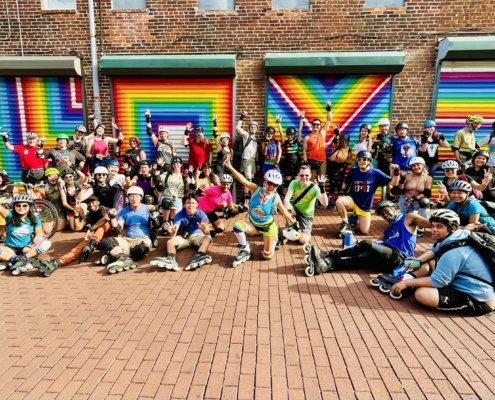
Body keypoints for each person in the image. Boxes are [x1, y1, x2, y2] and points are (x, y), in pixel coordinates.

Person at [390, 209, 495, 316]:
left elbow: (437, 282)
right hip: (459, 283)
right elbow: (434, 249)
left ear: (452, 228)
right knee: (430, 261)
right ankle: (408, 277)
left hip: (479, 300)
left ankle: (407, 282)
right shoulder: (458, 236)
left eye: (439, 226)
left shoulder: (455, 253)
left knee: (422, 294)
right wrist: (418, 261)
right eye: (432, 226)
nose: (434, 230)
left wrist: (406, 284)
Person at [305, 199, 431, 276]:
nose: (385, 214)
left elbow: (431, 224)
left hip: (400, 258)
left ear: (393, 208)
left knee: (366, 244)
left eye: (387, 211)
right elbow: (377, 243)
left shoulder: (408, 218)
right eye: (382, 214)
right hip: (387, 260)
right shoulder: (388, 229)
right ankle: (326, 264)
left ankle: (329, 254)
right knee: (361, 258)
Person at [224, 158, 295, 265]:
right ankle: (245, 250)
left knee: (266, 256)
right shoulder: (256, 189)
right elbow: (243, 180)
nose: (272, 186)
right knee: (237, 227)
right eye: (270, 183)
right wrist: (230, 167)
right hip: (254, 224)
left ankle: (275, 240)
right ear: (265, 181)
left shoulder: (276, 198)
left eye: (275, 185)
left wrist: (295, 224)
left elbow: (285, 213)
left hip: (268, 228)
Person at [27, 195, 114, 277]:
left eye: (93, 202)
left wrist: (91, 228)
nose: (91, 205)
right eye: (89, 203)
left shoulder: (103, 210)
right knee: (76, 250)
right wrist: (76, 214)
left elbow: (106, 218)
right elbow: (78, 227)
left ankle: (92, 243)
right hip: (95, 241)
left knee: (103, 225)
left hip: (108, 239)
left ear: (98, 202)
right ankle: (56, 263)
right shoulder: (89, 215)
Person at [335, 150, 392, 238]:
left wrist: (396, 173)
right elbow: (346, 182)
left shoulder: (376, 173)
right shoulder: (354, 170)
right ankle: (345, 223)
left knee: (364, 231)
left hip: (364, 206)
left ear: (369, 161)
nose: (361, 161)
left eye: (364, 159)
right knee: (339, 201)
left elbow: (392, 182)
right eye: (359, 159)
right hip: (352, 200)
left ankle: (355, 217)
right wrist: (341, 192)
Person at [151, 192, 213, 272]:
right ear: (184, 204)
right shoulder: (179, 215)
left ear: (197, 204)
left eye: (193, 203)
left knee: (207, 239)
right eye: (188, 203)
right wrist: (172, 232)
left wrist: (204, 229)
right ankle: (171, 258)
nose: (191, 205)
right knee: (170, 242)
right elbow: (174, 231)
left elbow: (207, 233)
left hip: (197, 235)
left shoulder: (202, 214)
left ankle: (200, 255)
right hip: (184, 237)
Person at [98, 186, 153, 274]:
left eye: (137, 196)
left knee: (141, 250)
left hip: (143, 239)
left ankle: (115, 256)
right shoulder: (123, 211)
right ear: (128, 198)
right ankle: (123, 258)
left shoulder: (147, 209)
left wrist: (154, 213)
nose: (134, 199)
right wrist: (112, 217)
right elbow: (118, 230)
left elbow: (156, 224)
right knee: (106, 241)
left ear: (141, 198)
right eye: (131, 196)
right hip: (127, 239)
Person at [0, 194, 51, 275]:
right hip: (10, 248)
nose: (21, 208)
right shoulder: (10, 215)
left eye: (25, 205)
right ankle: (17, 260)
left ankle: (17, 260)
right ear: (14, 206)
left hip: (27, 249)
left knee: (47, 243)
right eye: (18, 205)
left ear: (29, 206)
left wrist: (30, 245)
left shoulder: (35, 219)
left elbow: (40, 234)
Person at [283, 165, 328, 244]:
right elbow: (286, 199)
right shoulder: (294, 183)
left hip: (307, 216)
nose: (304, 177)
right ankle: (290, 227)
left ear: (310, 176)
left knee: (303, 240)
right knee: (287, 209)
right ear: (298, 175)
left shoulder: (314, 188)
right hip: (295, 211)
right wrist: (291, 210)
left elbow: (325, 203)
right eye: (302, 175)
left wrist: (322, 189)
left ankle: (298, 230)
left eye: (306, 175)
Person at [390, 156, 432, 236]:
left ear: (423, 165)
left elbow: (427, 193)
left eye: (418, 165)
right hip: (405, 199)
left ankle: (421, 226)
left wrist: (413, 199)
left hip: (418, 200)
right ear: (411, 168)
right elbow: (400, 190)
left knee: (425, 202)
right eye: (413, 165)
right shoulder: (408, 176)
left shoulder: (428, 178)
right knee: (404, 220)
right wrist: (402, 180)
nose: (416, 167)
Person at [155, 156, 194, 235]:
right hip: (167, 196)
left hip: (177, 198)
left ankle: (171, 227)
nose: (175, 165)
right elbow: (158, 178)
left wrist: (191, 174)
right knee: (166, 202)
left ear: (181, 164)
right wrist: (156, 173)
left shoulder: (184, 175)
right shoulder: (168, 174)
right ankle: (164, 225)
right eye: (174, 164)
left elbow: (192, 184)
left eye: (177, 164)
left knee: (174, 218)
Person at [302, 102, 333, 180]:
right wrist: (305, 162)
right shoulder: (307, 137)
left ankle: (321, 192)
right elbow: (304, 150)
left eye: (317, 124)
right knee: (310, 182)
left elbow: (329, 120)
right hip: (311, 162)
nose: (315, 126)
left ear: (320, 126)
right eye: (314, 124)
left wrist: (329, 109)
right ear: (312, 125)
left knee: (321, 182)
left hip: (322, 161)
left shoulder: (322, 133)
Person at [235, 111, 260, 208]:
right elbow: (237, 128)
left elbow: (256, 152)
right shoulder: (246, 135)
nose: (253, 128)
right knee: (248, 180)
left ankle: (248, 201)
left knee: (251, 180)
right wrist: (242, 116)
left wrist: (257, 163)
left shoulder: (255, 139)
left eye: (255, 127)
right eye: (251, 127)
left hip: (253, 161)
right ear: (249, 128)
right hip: (246, 159)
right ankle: (246, 201)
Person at [276, 116, 303, 197]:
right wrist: (278, 123)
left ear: (294, 135)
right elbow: (281, 133)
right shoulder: (285, 142)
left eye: (292, 134)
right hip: (287, 163)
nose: (290, 136)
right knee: (287, 182)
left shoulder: (297, 141)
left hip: (297, 163)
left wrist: (301, 119)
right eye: (289, 134)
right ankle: (284, 197)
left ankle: (297, 197)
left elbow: (300, 130)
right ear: (287, 135)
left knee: (297, 182)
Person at [326, 134, 352, 209]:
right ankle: (331, 202)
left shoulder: (349, 150)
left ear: (348, 142)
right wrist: (337, 134)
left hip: (341, 167)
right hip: (332, 166)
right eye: (342, 141)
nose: (344, 143)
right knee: (332, 183)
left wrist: (343, 168)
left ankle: (339, 202)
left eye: (345, 142)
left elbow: (348, 161)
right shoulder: (336, 146)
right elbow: (335, 141)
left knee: (339, 184)